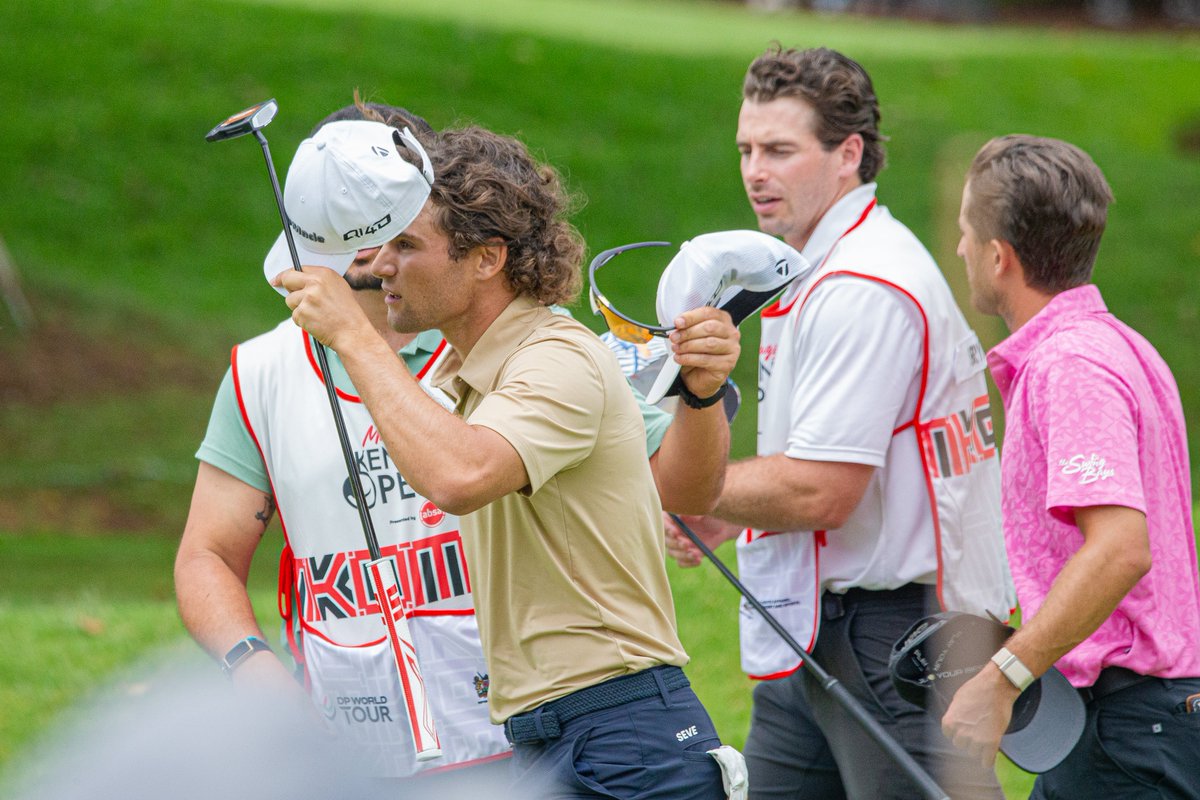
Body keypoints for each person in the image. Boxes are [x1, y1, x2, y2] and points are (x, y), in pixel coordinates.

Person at [177, 106, 737, 797]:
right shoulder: (469, 374)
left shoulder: (554, 357)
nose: (381, 263)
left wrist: (351, 338)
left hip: (617, 732)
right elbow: (205, 553)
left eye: (405, 244)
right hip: (549, 733)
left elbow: (461, 474)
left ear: (486, 258)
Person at [663, 46, 1016, 799]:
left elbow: (821, 492)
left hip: (893, 638)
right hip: (822, 624)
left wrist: (689, 481)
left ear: (848, 153)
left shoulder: (863, 284)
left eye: (780, 151)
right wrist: (730, 510)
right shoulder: (824, 262)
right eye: (746, 150)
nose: (755, 171)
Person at [941, 134, 1200, 798]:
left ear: (1000, 258)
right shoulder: (1118, 345)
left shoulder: (1072, 366)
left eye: (968, 232)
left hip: (1126, 734)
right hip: (1129, 727)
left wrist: (1002, 677)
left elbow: (1120, 549)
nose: (960, 248)